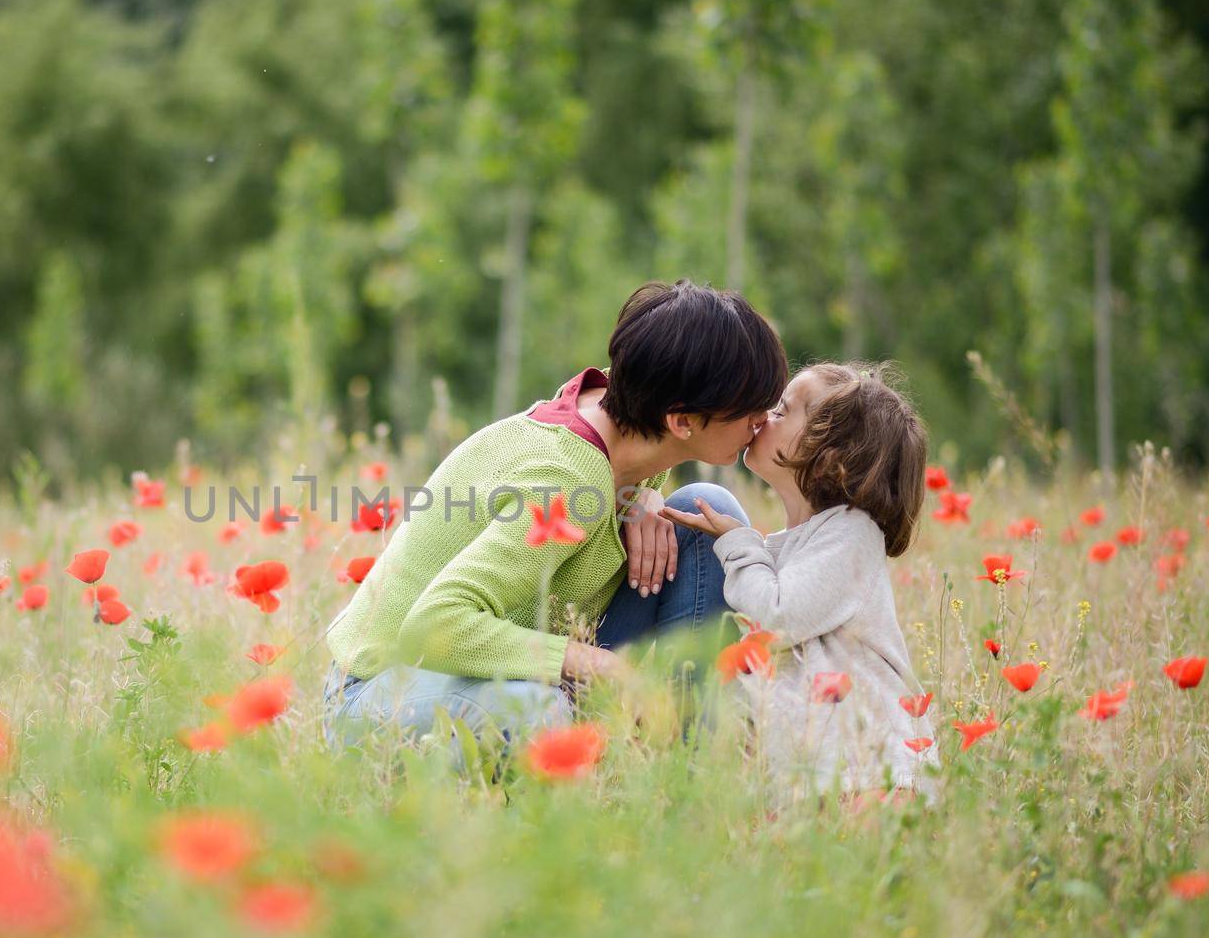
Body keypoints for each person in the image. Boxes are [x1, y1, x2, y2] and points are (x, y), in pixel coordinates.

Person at [323, 280, 788, 744]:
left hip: (510, 667)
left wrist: (640, 497)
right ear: (681, 421)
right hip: (386, 690)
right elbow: (431, 627)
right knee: (537, 711)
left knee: (704, 517)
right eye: (750, 408)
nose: (763, 420)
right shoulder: (568, 481)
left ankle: (687, 757)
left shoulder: (625, 416)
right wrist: (601, 665)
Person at [664, 362, 939, 797]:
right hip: (817, 781)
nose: (761, 418)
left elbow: (775, 617)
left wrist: (739, 543)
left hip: (872, 779)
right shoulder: (793, 544)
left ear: (828, 455)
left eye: (781, 411)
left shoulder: (852, 533)